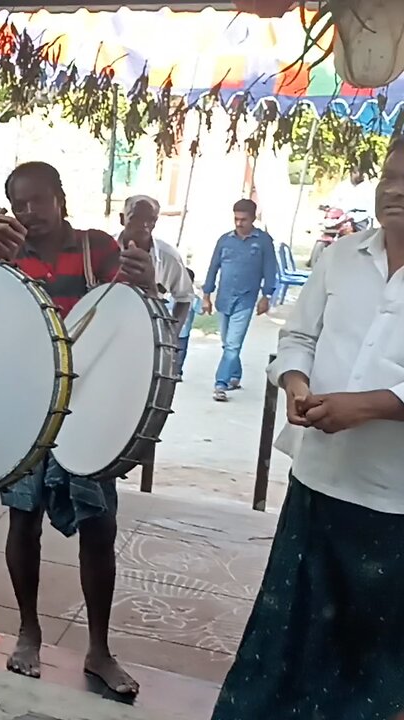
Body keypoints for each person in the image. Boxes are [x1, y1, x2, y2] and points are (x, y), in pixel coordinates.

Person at [212, 139, 404, 720]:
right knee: (287, 648)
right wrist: (295, 384)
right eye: (390, 175)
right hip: (317, 485)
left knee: (373, 667)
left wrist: (368, 406)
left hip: (393, 505)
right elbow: (297, 339)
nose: (393, 190)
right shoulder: (341, 257)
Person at [0, 161, 157, 697]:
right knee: (23, 521)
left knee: (99, 529)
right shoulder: (6, 256)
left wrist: (147, 280)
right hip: (29, 409)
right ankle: (28, 632)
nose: (29, 213)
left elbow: (132, 312)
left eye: (38, 201)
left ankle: (100, 649)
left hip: (91, 409)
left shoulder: (96, 248)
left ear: (61, 197)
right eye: (19, 204)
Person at [201, 199, 278, 402]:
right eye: (236, 218)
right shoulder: (225, 240)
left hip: (246, 299)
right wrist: (206, 295)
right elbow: (213, 267)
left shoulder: (263, 241)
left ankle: (221, 384)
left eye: (243, 219)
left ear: (253, 218)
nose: (239, 223)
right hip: (224, 298)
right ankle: (235, 375)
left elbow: (270, 270)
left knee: (233, 344)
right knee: (227, 343)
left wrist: (267, 296)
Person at [120, 194, 193, 331]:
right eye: (136, 218)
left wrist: (172, 335)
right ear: (122, 219)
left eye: (150, 220)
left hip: (148, 332)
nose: (144, 225)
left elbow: (184, 298)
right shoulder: (105, 249)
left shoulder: (169, 257)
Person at [171, 269, 201, 379]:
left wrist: (199, 296)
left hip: (184, 331)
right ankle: (171, 370)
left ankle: (177, 371)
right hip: (171, 330)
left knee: (180, 353)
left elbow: (200, 310)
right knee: (171, 351)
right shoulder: (171, 294)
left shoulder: (193, 298)